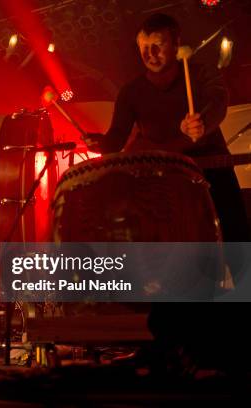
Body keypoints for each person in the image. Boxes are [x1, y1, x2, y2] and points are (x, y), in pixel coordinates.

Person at [84, 13, 249, 373]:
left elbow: (218, 101)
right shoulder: (132, 92)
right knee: (173, 262)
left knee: (237, 249)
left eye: (158, 45)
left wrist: (202, 120)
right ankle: (173, 342)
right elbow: (115, 138)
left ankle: (241, 341)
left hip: (212, 173)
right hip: (167, 183)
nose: (150, 53)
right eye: (144, 47)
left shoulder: (200, 73)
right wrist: (98, 143)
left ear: (176, 45)